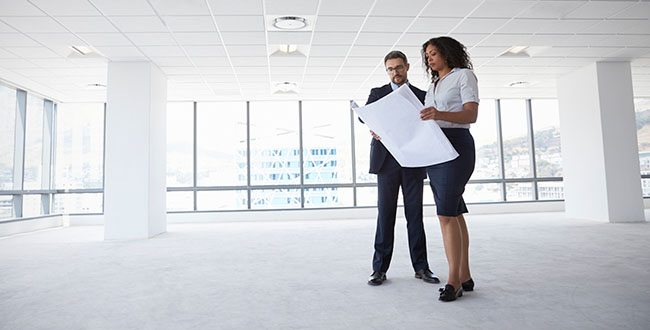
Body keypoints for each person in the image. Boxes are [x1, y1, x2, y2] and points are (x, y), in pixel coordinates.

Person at [364, 50, 439, 286]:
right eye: (390, 69)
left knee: (414, 216)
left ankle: (421, 267)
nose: (394, 72)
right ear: (386, 71)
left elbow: (428, 125)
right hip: (386, 163)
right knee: (385, 215)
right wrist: (373, 127)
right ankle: (379, 269)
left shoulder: (421, 94)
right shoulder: (378, 93)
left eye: (398, 67)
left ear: (407, 67)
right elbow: (364, 117)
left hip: (412, 161)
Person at [419, 37, 479, 301]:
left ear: (447, 52)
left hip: (456, 146)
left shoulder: (463, 76)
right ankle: (464, 274)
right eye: (427, 55)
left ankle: (453, 280)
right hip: (435, 147)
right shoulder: (432, 85)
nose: (430, 58)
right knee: (453, 211)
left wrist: (439, 114)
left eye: (433, 53)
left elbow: (471, 115)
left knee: (445, 214)